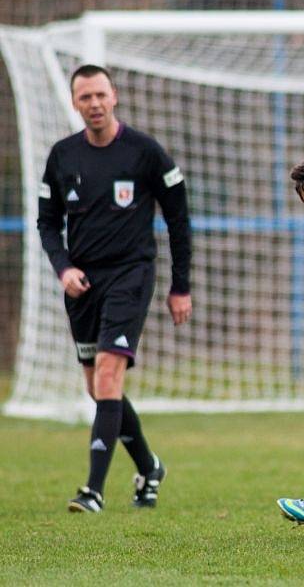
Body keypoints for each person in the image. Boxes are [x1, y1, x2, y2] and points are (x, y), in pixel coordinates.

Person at [37, 64, 192, 513]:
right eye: (85, 97)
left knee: (107, 375)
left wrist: (180, 285)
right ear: (75, 103)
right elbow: (47, 223)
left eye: (101, 95)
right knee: (98, 388)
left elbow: (179, 219)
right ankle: (149, 465)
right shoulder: (62, 155)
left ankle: (93, 491)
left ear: (115, 96)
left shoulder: (145, 152)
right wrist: (63, 268)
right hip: (81, 283)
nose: (95, 104)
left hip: (131, 275)